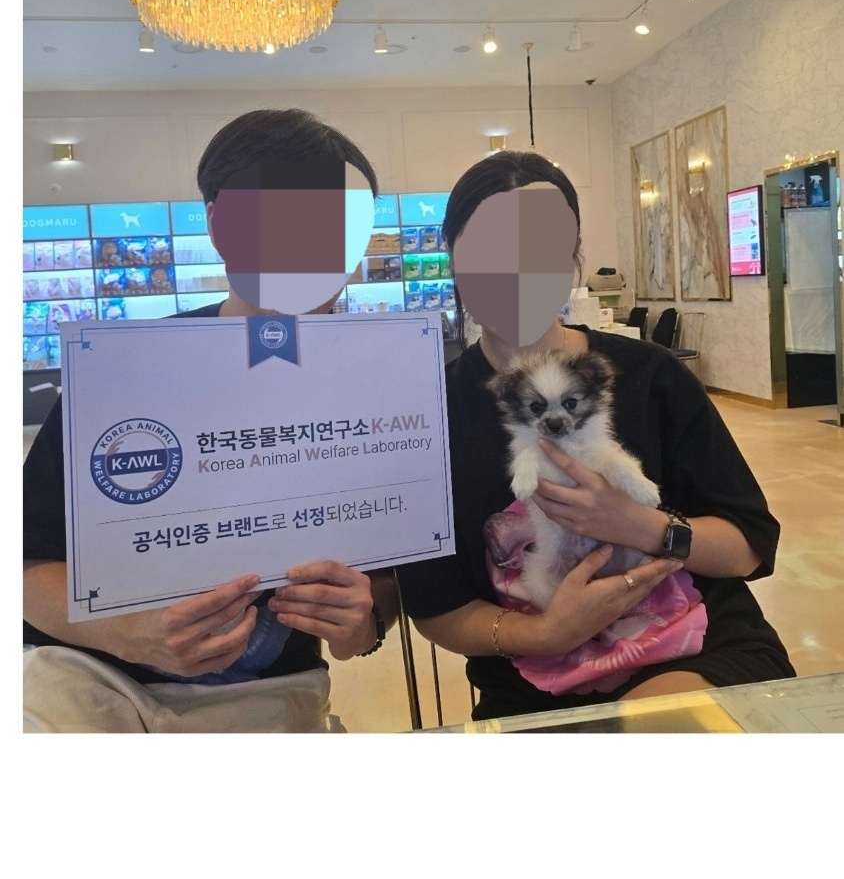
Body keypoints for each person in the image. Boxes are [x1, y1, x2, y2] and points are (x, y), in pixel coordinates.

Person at [23, 108, 398, 733]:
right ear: (222, 225)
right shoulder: (119, 372)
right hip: (91, 683)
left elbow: (386, 580)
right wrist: (128, 631)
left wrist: (362, 623)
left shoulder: (381, 385)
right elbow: (27, 559)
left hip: (271, 694)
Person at [396, 150, 795, 722]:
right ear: (452, 258)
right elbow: (435, 604)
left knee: (658, 730)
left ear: (572, 257)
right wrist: (545, 635)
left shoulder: (650, 375)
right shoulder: (427, 410)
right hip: (532, 680)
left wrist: (637, 524)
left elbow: (749, 547)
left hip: (697, 646)